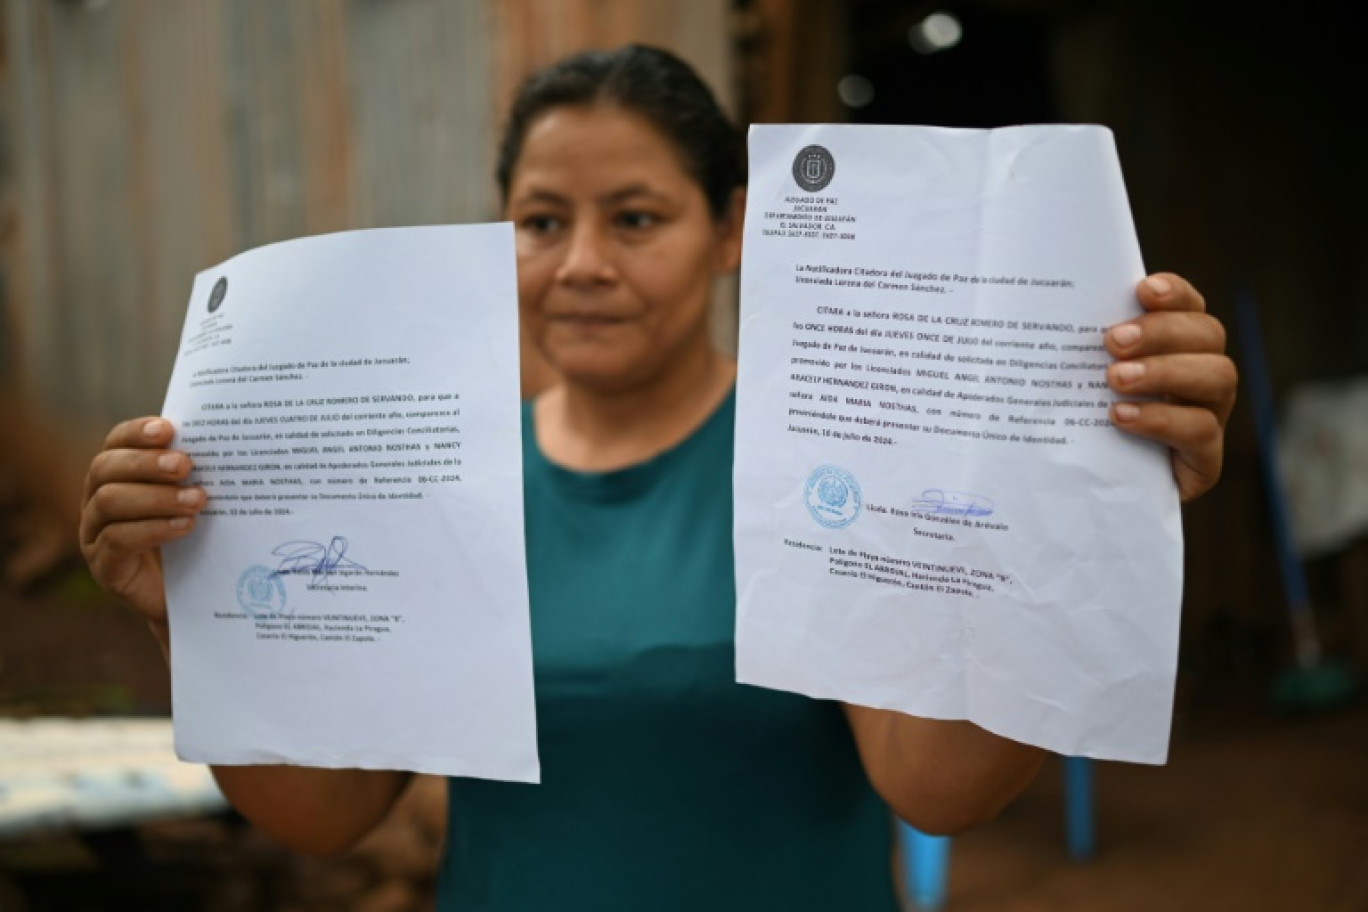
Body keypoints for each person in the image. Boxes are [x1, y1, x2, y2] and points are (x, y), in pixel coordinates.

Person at [79, 45, 1237, 910]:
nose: (583, 265)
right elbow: (325, 814)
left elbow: (939, 787)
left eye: (636, 218)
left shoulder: (826, 459)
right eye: (541, 221)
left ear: (733, 229)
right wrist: (197, 621)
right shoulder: (435, 480)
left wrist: (1090, 511)